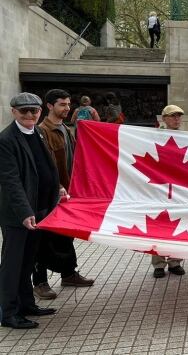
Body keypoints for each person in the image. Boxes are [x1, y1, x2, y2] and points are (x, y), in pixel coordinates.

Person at [0, 93, 59, 329]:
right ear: (14, 112)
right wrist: (25, 212)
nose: (29, 115)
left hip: (40, 209)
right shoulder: (6, 140)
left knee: (28, 262)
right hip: (19, 215)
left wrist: (59, 188)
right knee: (12, 265)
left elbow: (44, 167)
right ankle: (8, 312)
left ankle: (26, 304)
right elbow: (10, 180)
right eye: (23, 111)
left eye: (34, 111)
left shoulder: (38, 132)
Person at [34, 90, 95, 301]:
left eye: (69, 104)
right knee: (43, 239)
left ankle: (69, 274)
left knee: (66, 235)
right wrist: (57, 185)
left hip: (68, 193)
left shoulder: (67, 129)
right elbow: (44, 166)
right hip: (50, 194)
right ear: (49, 106)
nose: (67, 108)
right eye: (62, 104)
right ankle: (40, 282)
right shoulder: (42, 132)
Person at [152, 104, 187, 278]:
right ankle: (158, 264)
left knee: (177, 222)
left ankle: (175, 262)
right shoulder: (154, 137)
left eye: (179, 116)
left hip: (179, 189)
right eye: (172, 116)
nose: (176, 119)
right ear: (164, 118)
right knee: (157, 224)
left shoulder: (187, 138)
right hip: (159, 188)